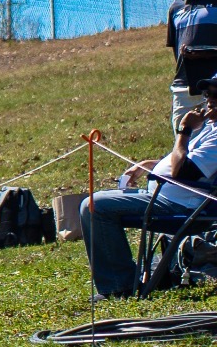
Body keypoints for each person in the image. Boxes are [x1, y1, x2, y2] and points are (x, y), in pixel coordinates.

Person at [82, 90, 217, 300]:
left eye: (215, 96)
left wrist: (185, 130)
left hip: (182, 206)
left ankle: (120, 287)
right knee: (99, 199)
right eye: (208, 94)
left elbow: (182, 171)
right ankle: (125, 281)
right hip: (162, 196)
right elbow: (183, 161)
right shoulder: (210, 128)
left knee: (94, 205)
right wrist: (150, 165)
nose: (208, 101)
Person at [167, 0, 217, 134]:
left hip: (214, 88)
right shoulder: (176, 8)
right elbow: (176, 51)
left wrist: (206, 53)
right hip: (183, 90)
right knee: (182, 146)